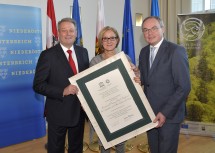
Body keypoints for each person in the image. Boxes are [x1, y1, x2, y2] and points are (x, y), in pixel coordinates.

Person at [33, 17, 89, 153]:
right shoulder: (47, 55)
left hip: (79, 111)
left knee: (76, 149)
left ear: (76, 33)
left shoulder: (83, 52)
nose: (68, 33)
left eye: (71, 30)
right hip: (58, 112)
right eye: (64, 30)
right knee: (55, 149)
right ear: (58, 33)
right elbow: (38, 84)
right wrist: (62, 91)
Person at [138, 16, 191, 153]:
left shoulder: (176, 51)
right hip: (151, 114)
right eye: (145, 30)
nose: (149, 33)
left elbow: (184, 87)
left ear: (163, 29)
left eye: (154, 28)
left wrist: (165, 112)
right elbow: (146, 79)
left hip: (169, 115)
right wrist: (137, 76)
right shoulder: (143, 52)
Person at [89, 26, 140, 153]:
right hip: (104, 109)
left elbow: (133, 81)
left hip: (121, 106)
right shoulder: (95, 61)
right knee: (104, 143)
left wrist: (137, 75)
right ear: (101, 41)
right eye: (105, 38)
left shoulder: (125, 58)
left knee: (121, 143)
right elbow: (92, 88)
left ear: (117, 40)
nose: (109, 41)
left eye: (112, 38)